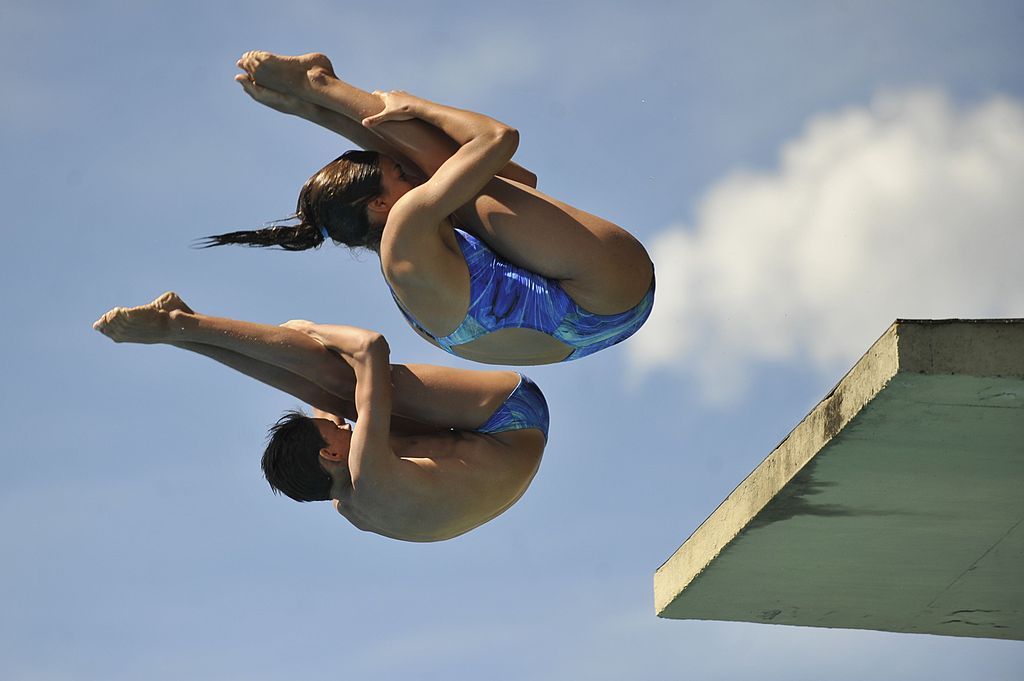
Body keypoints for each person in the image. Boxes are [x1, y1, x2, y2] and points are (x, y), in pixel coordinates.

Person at [202, 51, 655, 366]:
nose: (412, 176)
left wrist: (311, 112)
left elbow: (520, 182)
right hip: (604, 291)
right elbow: (498, 138)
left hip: (603, 321)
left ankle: (316, 94)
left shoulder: (409, 262)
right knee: (444, 167)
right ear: (380, 204)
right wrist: (416, 105)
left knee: (452, 174)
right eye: (399, 174)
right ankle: (321, 85)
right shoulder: (405, 226)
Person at [92, 292, 547, 542]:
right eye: (335, 432)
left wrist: (203, 340)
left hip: (502, 457)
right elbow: (371, 347)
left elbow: (316, 398)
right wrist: (309, 329)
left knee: (329, 391)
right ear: (329, 453)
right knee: (346, 381)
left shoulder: (349, 503)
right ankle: (180, 326)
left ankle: (185, 334)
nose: (343, 426)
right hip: (511, 414)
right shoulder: (368, 472)